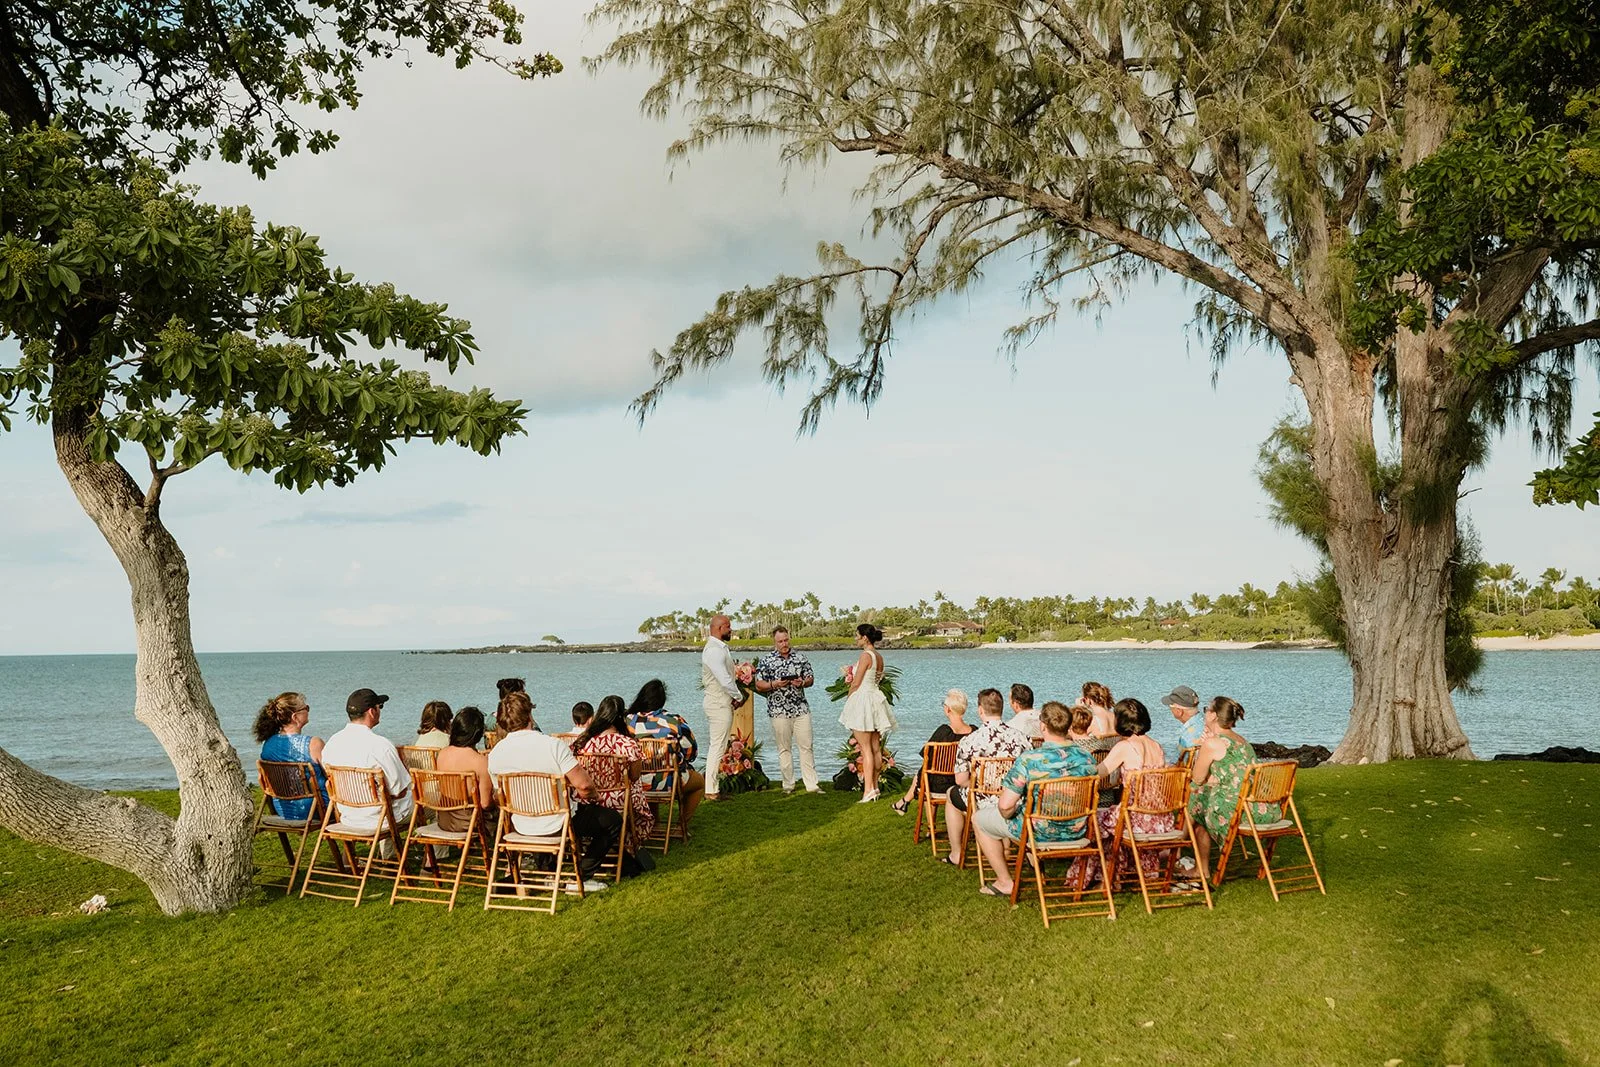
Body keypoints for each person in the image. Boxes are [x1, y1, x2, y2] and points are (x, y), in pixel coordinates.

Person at [487, 690, 616, 891]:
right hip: (557, 823)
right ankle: (581, 876)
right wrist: (594, 796)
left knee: (540, 811)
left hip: (521, 824)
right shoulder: (552, 746)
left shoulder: (496, 754)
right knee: (612, 821)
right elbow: (584, 785)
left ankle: (547, 872)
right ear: (530, 715)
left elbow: (498, 796)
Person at [973, 700, 1097, 897]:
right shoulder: (1087, 758)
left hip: (1038, 831)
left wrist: (1010, 814)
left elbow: (1005, 806)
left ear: (1043, 726)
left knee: (979, 819)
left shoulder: (1030, 760)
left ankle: (1005, 881)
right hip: (1078, 828)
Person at [1188, 695, 1278, 878]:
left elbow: (1196, 778)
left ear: (1214, 716)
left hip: (1239, 810)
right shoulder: (1242, 741)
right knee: (1200, 799)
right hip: (1264, 808)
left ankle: (1195, 864)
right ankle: (1182, 852)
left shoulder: (1212, 743)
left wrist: (1202, 748)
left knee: (1196, 804)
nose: (1204, 713)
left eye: (1206, 709)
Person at [1091, 697, 1174, 883]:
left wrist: (1080, 767)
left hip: (1135, 818)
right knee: (1111, 818)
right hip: (1160, 817)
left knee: (1095, 820)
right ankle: (1127, 870)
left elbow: (1100, 772)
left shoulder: (1125, 746)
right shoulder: (1156, 746)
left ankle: (1107, 876)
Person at [941, 688, 1029, 860]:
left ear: (980, 710)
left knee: (951, 794)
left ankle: (956, 852)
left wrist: (982, 784)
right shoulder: (1022, 738)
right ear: (1001, 709)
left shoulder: (970, 741)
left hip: (983, 799)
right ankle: (1007, 847)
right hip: (1013, 799)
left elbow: (961, 780)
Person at [320, 688, 414, 847]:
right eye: (380, 706)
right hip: (381, 818)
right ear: (372, 711)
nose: (380, 710)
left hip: (348, 816)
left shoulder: (332, 743)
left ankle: (389, 856)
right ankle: (433, 858)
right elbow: (399, 790)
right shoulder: (380, 745)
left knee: (388, 799)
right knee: (431, 802)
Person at [572, 695, 656, 863]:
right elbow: (635, 776)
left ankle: (607, 848)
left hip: (587, 798)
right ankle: (628, 845)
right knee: (635, 792)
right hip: (618, 799)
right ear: (620, 718)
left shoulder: (583, 742)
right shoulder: (627, 744)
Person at [626, 679, 706, 834]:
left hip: (637, 782)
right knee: (699, 783)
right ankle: (681, 826)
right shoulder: (673, 721)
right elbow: (690, 751)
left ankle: (653, 824)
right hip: (668, 781)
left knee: (650, 774)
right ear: (662, 700)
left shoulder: (628, 721)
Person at [753, 626, 820, 795]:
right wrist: (774, 684)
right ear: (774, 642)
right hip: (779, 711)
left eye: (786, 640)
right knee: (784, 749)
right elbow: (759, 684)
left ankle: (812, 785)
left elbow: (810, 678)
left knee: (806, 746)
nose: (784, 644)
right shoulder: (766, 660)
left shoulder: (800, 657)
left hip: (801, 709)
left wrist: (802, 682)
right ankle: (788, 784)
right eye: (780, 641)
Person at [838, 623, 898, 802]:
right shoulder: (879, 657)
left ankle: (868, 790)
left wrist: (849, 699)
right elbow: (876, 679)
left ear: (865, 637)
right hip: (875, 699)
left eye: (857, 636)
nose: (856, 639)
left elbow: (856, 683)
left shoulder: (865, 656)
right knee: (875, 746)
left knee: (865, 749)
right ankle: (876, 787)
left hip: (863, 700)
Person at [892, 688, 974, 815]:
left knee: (925, 774)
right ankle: (903, 803)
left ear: (948, 710)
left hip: (941, 785)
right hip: (965, 780)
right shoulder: (974, 732)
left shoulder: (943, 732)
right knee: (925, 774)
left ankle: (926, 820)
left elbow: (927, 756)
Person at [253, 691, 327, 819]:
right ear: (295, 717)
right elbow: (331, 775)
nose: (308, 711)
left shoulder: (268, 744)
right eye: (306, 708)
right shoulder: (314, 744)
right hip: (316, 809)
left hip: (283, 809)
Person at [700, 613, 745, 803]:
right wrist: (739, 696)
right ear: (719, 628)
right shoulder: (714, 650)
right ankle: (711, 790)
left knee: (718, 745)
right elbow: (724, 679)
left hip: (720, 703)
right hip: (718, 704)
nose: (731, 629)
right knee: (717, 746)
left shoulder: (718, 648)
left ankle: (712, 787)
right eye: (728, 626)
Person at [433, 706, 494, 835]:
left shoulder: (442, 754)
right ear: (478, 734)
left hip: (444, 820)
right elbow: (485, 804)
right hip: (469, 822)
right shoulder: (480, 762)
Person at [1162, 685, 1206, 751]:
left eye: (1170, 706)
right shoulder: (1206, 722)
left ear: (1179, 711)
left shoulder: (1189, 737)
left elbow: (1186, 757)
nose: (1170, 709)